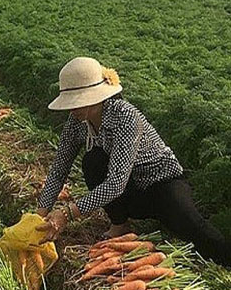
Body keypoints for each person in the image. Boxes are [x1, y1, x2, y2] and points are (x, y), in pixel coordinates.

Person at [36, 57, 230, 266]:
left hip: (160, 182)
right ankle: (119, 224)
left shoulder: (125, 116)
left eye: (77, 102)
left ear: (96, 97)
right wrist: (38, 217)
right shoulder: (76, 123)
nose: (71, 109)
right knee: (93, 161)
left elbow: (116, 183)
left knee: (192, 227)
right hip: (129, 189)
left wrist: (66, 213)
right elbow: (58, 171)